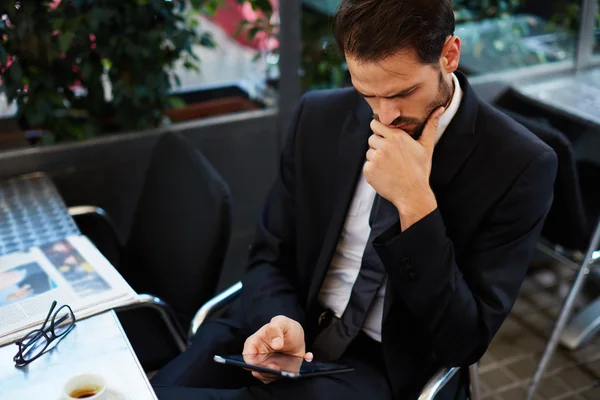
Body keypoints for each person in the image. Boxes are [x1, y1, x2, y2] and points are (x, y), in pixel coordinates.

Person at [151, 0, 557, 399]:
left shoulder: (519, 164)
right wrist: (279, 320)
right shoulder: (319, 117)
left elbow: (464, 340)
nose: (385, 116)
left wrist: (415, 205)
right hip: (281, 320)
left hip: (383, 362)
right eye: (368, 94)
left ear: (449, 54)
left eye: (404, 92)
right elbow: (269, 254)